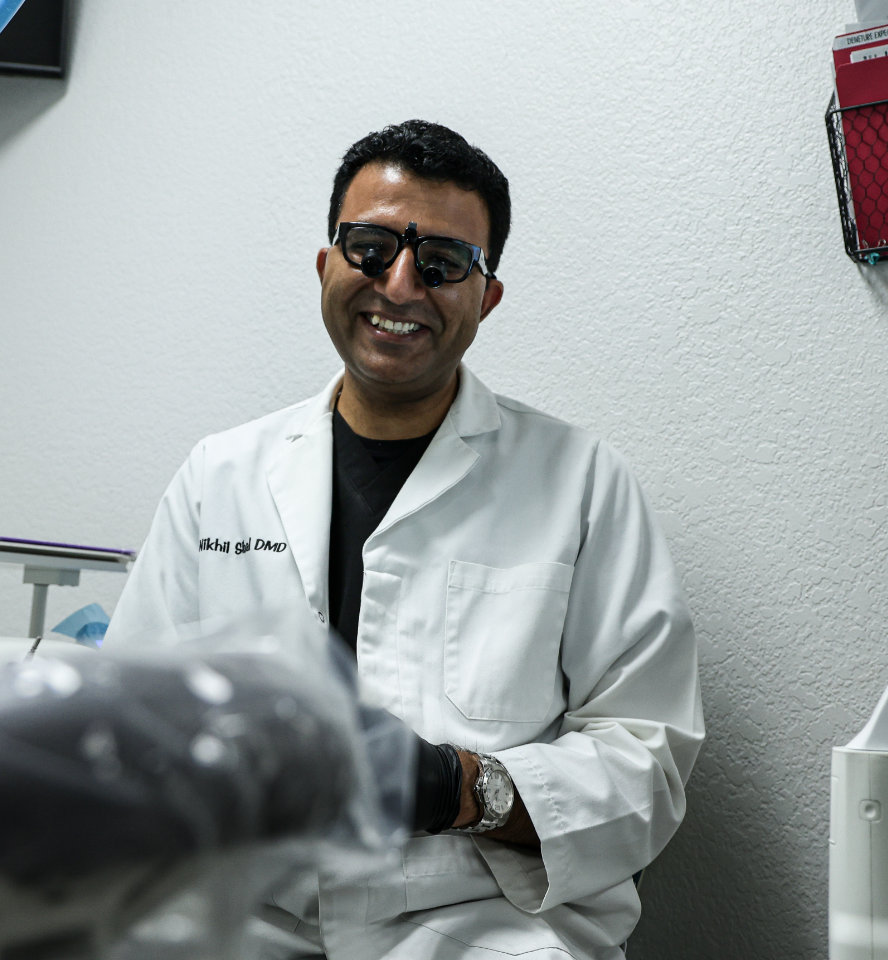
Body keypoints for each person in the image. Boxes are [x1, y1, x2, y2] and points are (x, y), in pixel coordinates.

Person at [104, 119, 705, 960]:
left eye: (443, 263)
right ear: (326, 265)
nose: (399, 284)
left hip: (480, 925)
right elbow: (126, 721)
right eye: (370, 246)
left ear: (485, 296)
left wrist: (457, 787)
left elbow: (650, 766)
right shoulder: (220, 476)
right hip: (239, 913)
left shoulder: (582, 484)